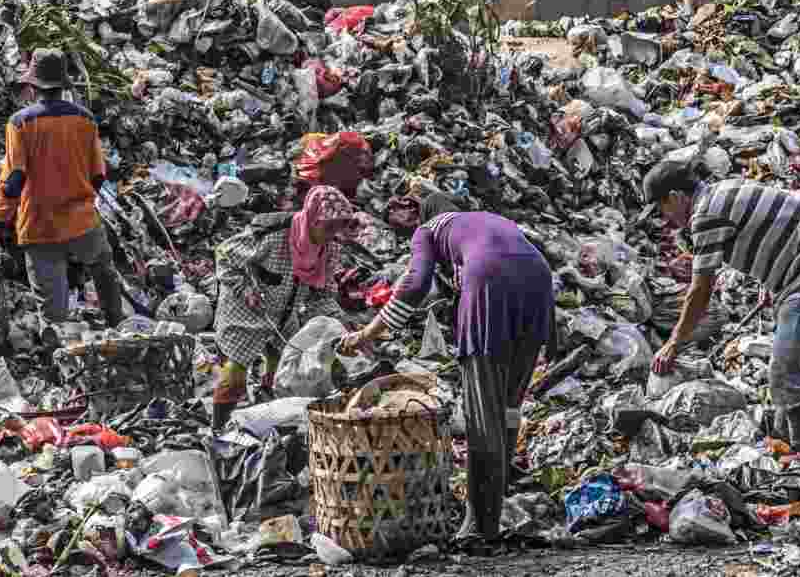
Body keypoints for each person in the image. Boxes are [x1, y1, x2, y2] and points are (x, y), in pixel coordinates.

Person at [340, 192, 555, 542]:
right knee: (509, 406)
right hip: (539, 283)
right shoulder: (487, 219)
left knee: (482, 414)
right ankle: (497, 501)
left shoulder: (428, 229)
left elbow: (415, 283)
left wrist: (369, 331)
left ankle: (480, 527)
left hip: (489, 282)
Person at [645, 171, 800, 455]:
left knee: (785, 373)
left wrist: (673, 343)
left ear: (676, 197)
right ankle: (790, 445)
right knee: (786, 374)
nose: (665, 217)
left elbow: (700, 291)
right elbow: (771, 224)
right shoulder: (722, 189)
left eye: (662, 208)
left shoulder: (705, 217)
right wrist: (772, 279)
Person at [0, 48, 125, 331]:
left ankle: (57, 360)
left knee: (53, 312)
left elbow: (14, 179)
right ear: (62, 85)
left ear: (32, 86)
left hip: (40, 225)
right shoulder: (85, 120)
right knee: (104, 270)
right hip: (82, 220)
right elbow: (98, 176)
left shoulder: (21, 123)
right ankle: (118, 328)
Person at [211, 185, 354, 430]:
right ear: (312, 218)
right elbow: (224, 255)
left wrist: (343, 324)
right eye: (327, 227)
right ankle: (218, 428)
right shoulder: (275, 235)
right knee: (236, 370)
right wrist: (244, 289)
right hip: (245, 307)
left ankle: (271, 422)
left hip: (284, 313)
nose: (332, 234)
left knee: (284, 370)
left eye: (336, 228)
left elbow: (320, 295)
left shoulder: (328, 250)